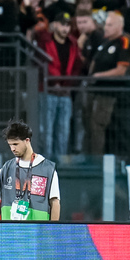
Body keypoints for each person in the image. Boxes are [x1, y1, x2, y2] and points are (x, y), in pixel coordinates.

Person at [0, 120, 60, 221]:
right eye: (10, 145)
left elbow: (55, 203)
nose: (12, 148)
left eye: (15, 144)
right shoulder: (7, 167)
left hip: (37, 233)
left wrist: (51, 232)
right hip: (10, 233)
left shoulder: (48, 169)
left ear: (27, 141)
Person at [35, 11, 83, 159]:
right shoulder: (45, 42)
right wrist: (55, 82)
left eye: (68, 25)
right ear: (55, 25)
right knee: (47, 131)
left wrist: (67, 85)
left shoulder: (73, 44)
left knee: (63, 131)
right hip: (47, 91)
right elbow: (42, 64)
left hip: (65, 93)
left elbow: (77, 67)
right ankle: (46, 164)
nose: (65, 28)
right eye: (63, 24)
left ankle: (61, 165)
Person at [83, 12, 130, 155]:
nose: (106, 27)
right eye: (106, 24)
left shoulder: (123, 42)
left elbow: (121, 70)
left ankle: (97, 161)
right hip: (94, 90)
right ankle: (88, 156)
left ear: (119, 27)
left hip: (108, 92)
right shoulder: (104, 42)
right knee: (88, 125)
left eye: (110, 25)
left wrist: (98, 75)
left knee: (98, 125)